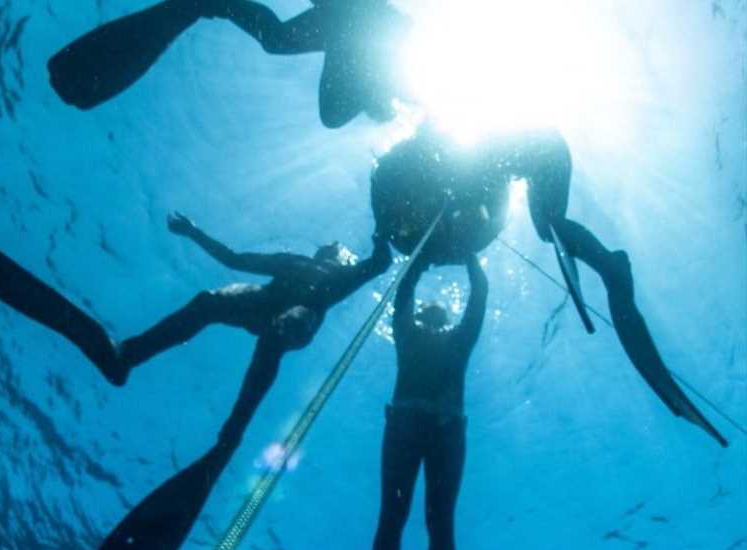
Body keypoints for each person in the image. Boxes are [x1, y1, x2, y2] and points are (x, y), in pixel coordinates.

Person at [0, 213, 392, 550]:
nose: (331, 250)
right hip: (258, 305)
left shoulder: (337, 279)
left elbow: (378, 264)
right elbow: (235, 256)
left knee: (277, 342)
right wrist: (193, 232)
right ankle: (127, 356)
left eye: (335, 251)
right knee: (209, 301)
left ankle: (229, 434)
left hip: (288, 324)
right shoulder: (290, 260)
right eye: (330, 248)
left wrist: (382, 236)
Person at [369, 128, 727, 446]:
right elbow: (480, 225)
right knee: (547, 225)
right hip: (538, 155)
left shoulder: (441, 165)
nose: (409, 225)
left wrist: (442, 221)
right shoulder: (443, 182)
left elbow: (480, 208)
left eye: (408, 219)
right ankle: (611, 268)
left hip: (545, 149)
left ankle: (612, 266)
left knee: (547, 225)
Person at [361, 251, 488, 550]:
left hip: (416, 427)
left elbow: (471, 301)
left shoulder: (414, 336)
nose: (431, 320)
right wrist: (466, 259)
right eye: (430, 315)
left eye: (433, 316)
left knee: (409, 521)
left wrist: (426, 264)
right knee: (425, 522)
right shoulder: (434, 338)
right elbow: (476, 299)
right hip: (436, 429)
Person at [49, 0, 412, 127]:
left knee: (275, 41)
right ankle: (209, 4)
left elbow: (333, 113)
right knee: (277, 41)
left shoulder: (365, 61)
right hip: (364, 24)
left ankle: (209, 3)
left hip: (355, 27)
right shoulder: (386, 56)